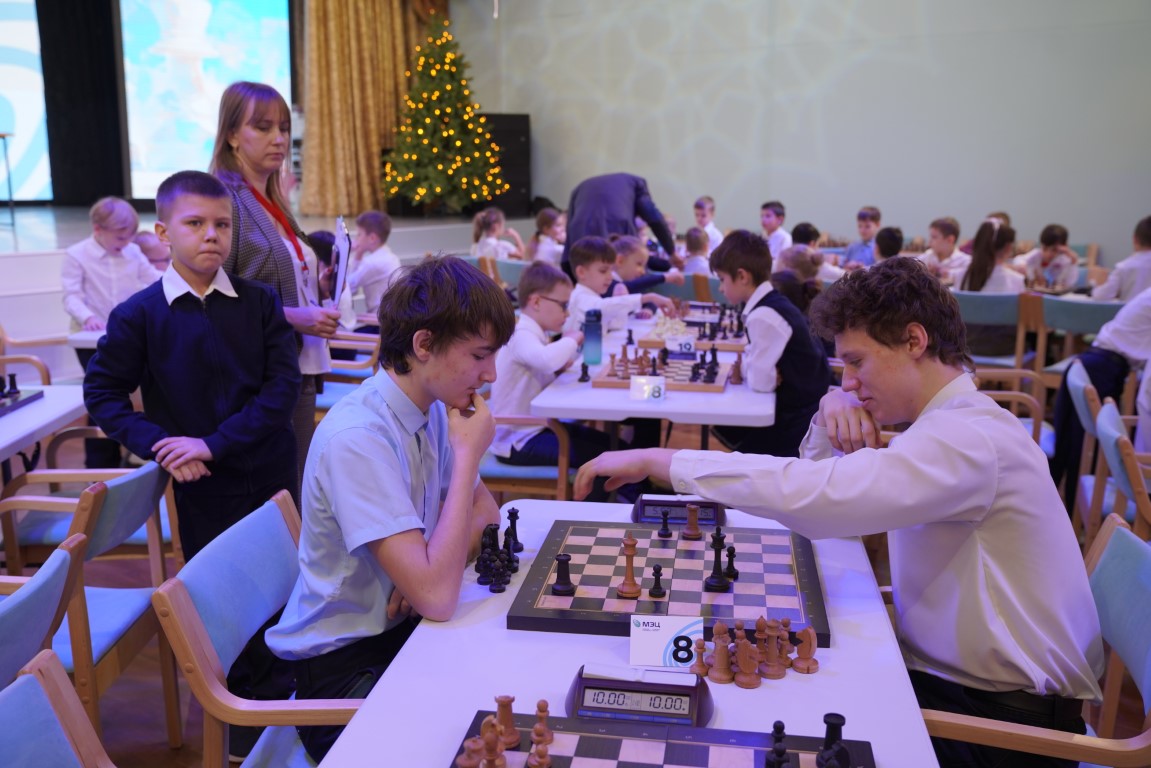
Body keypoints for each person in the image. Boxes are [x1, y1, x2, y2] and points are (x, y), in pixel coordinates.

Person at [575, 257, 1103, 768]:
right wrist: (830, 412)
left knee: (745, 730)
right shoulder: (949, 426)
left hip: (1001, 729)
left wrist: (665, 461)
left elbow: (820, 500)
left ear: (914, 341)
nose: (849, 381)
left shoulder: (967, 441)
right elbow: (823, 491)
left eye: (857, 362)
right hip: (952, 688)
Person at [83, 171, 299, 757]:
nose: (211, 235)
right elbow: (102, 393)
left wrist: (214, 442)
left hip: (272, 474)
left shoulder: (259, 302)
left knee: (285, 589)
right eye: (196, 223)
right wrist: (162, 443)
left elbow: (280, 390)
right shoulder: (139, 315)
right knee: (227, 598)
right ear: (163, 233)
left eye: (222, 224)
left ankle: (287, 705)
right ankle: (241, 718)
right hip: (205, 489)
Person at [265, 256, 514, 762]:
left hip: (402, 634)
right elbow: (438, 598)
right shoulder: (359, 438)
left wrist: (427, 569)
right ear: (423, 345)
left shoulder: (433, 409)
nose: (490, 375)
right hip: (342, 672)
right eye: (479, 356)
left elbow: (486, 518)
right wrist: (468, 457)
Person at [209, 80, 340, 491]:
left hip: (295, 365)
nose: (279, 139)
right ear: (232, 135)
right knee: (281, 494)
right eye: (263, 127)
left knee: (295, 488)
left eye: (283, 128)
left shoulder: (271, 198)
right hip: (258, 377)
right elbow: (212, 297)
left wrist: (315, 284)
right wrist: (295, 317)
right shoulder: (224, 199)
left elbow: (270, 276)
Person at [490, 262, 635, 501]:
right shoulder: (522, 334)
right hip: (519, 441)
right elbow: (546, 360)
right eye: (563, 306)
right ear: (536, 302)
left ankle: (631, 499)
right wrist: (574, 337)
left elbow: (544, 365)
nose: (567, 314)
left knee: (616, 448)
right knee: (603, 461)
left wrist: (558, 367)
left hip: (538, 429)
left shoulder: (534, 334)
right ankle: (613, 510)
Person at [708, 231, 832, 457]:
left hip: (797, 424)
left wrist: (747, 368)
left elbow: (761, 383)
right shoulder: (773, 302)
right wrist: (752, 366)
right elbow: (757, 365)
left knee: (734, 432)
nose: (721, 288)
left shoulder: (763, 315)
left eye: (722, 279)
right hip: (802, 409)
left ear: (742, 276)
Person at [61, 196, 162, 468]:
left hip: (126, 335)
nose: (125, 243)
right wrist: (88, 316)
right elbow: (71, 296)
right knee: (104, 396)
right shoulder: (76, 255)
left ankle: (146, 451)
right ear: (98, 230)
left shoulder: (133, 252)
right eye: (119, 238)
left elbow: (155, 279)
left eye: (129, 237)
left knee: (150, 388)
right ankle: (100, 465)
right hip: (90, 339)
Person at [1050, 285, 1151, 507]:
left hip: (1096, 362)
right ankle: (1072, 510)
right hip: (1103, 367)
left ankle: (1070, 511)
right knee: (1081, 449)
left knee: (1072, 447)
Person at [561, 172, 676, 277]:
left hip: (579, 231)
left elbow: (570, 231)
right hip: (618, 226)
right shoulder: (637, 183)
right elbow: (654, 218)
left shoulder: (580, 187)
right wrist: (672, 252)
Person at [565, 236, 675, 335]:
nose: (610, 276)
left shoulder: (594, 296)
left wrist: (621, 300)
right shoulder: (580, 297)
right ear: (581, 272)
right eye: (603, 271)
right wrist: (648, 297)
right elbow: (602, 307)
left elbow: (616, 325)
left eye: (610, 270)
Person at [956, 219, 1025, 357]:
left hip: (965, 347)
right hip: (1005, 350)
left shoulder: (961, 276)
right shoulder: (1016, 280)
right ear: (1008, 247)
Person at [347, 209, 401, 328]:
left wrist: (348, 252)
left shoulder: (372, 263)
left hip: (382, 325)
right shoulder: (388, 255)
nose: (356, 239)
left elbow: (348, 288)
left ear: (372, 238)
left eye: (359, 234)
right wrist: (359, 254)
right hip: (390, 321)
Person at [1091, 215, 1151, 301]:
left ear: (1135, 239)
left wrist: (1099, 283)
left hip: (1131, 309)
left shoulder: (1125, 267)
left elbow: (1100, 296)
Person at [606, 234, 685, 297]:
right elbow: (632, 286)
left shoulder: (626, 284)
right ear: (620, 261)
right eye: (639, 264)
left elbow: (645, 300)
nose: (643, 271)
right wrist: (664, 277)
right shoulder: (608, 283)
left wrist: (648, 309)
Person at [1013, 224, 1080, 292]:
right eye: (1045, 249)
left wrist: (1073, 262)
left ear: (1064, 247)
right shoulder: (1036, 255)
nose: (1048, 254)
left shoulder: (1065, 261)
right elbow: (1018, 259)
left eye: (1054, 250)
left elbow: (1070, 284)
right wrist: (1023, 266)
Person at [917, 217, 969, 281]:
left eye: (934, 237)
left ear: (950, 240)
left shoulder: (965, 262)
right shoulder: (925, 258)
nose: (929, 242)